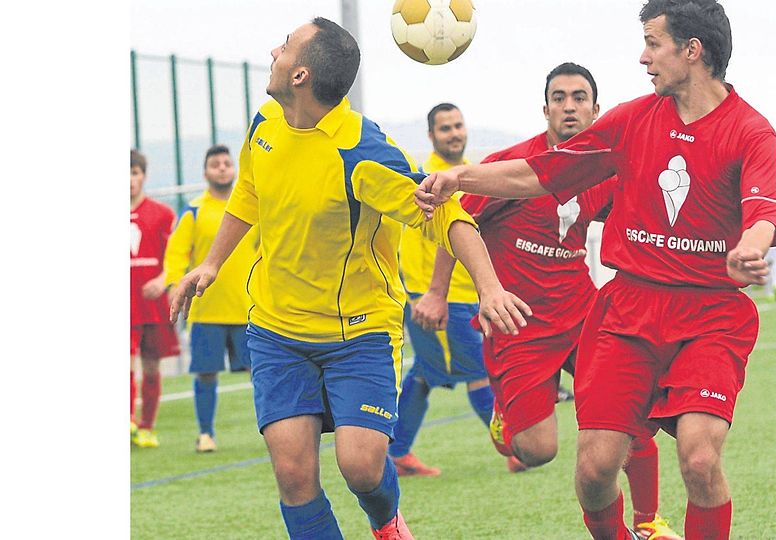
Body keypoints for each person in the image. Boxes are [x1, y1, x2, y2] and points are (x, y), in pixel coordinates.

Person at [415, 1, 776, 538]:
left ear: (693, 51)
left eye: (653, 43)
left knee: (700, 460)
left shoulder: (752, 132)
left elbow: (762, 211)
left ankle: (650, 519)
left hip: (711, 313)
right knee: (594, 471)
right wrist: (460, 178)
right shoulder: (631, 120)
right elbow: (540, 173)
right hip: (627, 310)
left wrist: (750, 248)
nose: (643, 57)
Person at [168, 17, 530, 540]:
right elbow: (248, 194)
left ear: (302, 76)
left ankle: (386, 522)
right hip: (276, 330)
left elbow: (447, 215)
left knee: (361, 468)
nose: (275, 50)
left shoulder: (362, 151)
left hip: (357, 334)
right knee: (294, 474)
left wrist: (490, 287)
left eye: (286, 46)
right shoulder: (264, 123)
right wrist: (210, 263)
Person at [414, 63, 679, 538]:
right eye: (559, 98)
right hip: (519, 326)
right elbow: (452, 224)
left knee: (633, 410)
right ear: (546, 109)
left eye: (580, 98)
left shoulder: (601, 169)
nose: (570, 106)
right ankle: (504, 416)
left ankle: (648, 522)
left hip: (583, 315)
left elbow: (639, 220)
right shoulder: (510, 166)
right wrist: (436, 292)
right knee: (536, 452)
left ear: (597, 110)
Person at [389, 103, 521, 476]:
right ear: (431, 136)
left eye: (458, 125)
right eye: (444, 128)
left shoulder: (467, 177)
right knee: (478, 370)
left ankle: (397, 451)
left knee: (426, 374)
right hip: (439, 297)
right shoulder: (424, 177)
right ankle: (514, 449)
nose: (453, 133)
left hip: (464, 294)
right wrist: (427, 294)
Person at [163, 144, 258, 452]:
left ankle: (274, 430)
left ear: (234, 169)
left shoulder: (251, 210)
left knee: (263, 371)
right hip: (205, 310)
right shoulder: (193, 210)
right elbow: (176, 256)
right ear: (205, 173)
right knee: (206, 373)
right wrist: (175, 286)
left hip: (247, 309)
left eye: (226, 163)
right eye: (215, 164)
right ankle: (206, 434)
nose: (221, 168)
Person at [130, 148, 180, 449]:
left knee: (150, 364)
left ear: (143, 176)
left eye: (134, 173)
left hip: (151, 303)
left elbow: (176, 256)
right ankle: (127, 421)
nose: (128, 180)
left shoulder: (162, 214)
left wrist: (162, 281)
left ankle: (147, 425)